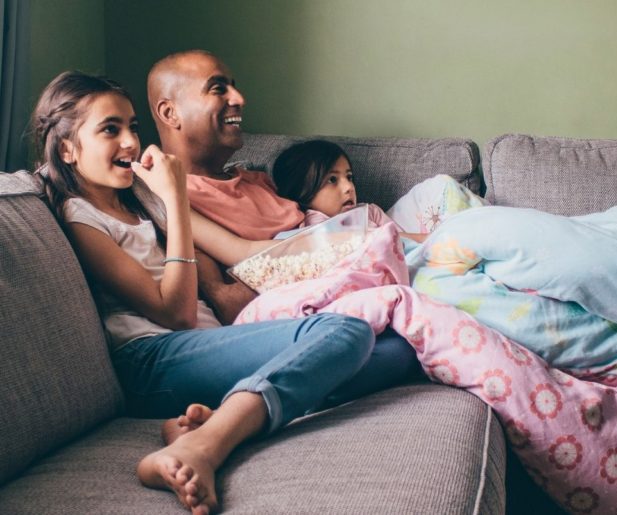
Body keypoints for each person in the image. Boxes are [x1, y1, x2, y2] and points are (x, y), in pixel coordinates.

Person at [32, 70, 377, 514]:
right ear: (67, 148)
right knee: (345, 334)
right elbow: (175, 313)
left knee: (393, 350)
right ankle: (207, 446)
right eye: (109, 130)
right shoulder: (81, 217)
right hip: (152, 361)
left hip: (202, 349)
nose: (130, 143)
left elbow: (238, 256)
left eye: (132, 127)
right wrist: (175, 199)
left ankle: (214, 420)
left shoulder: (137, 198)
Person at [146, 49, 422, 407]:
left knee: (406, 344)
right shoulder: (174, 201)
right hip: (304, 312)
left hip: (356, 275)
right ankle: (266, 402)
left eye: (234, 86)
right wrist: (355, 242)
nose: (239, 99)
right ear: (171, 113)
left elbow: (319, 218)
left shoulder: (257, 179)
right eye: (218, 89)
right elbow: (229, 301)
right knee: (400, 346)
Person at [271, 139, 426, 242]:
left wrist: (428, 240)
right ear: (301, 191)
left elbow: (401, 241)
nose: (349, 187)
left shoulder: (370, 211)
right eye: (332, 180)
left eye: (349, 177)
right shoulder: (314, 224)